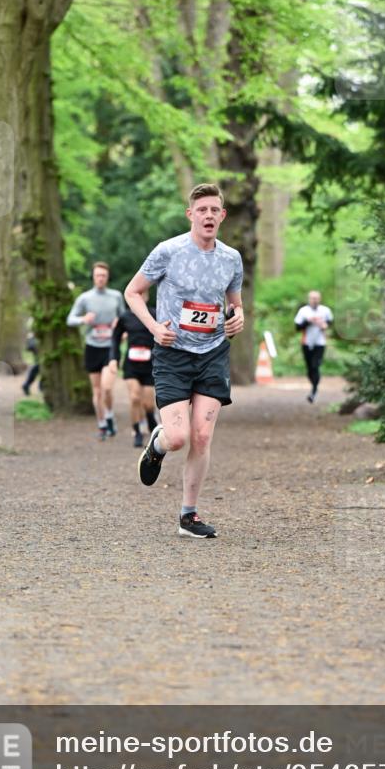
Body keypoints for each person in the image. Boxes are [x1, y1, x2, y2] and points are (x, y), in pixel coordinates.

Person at [125, 183, 244, 539]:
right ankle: (158, 444)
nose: (208, 215)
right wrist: (152, 328)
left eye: (214, 210)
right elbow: (133, 292)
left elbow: (234, 305)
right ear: (190, 214)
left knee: (202, 436)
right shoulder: (168, 251)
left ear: (222, 216)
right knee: (178, 437)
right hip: (173, 353)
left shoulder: (231, 258)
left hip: (212, 353)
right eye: (201, 209)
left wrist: (238, 318)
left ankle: (188, 516)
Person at [66, 261, 125, 439]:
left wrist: (120, 328)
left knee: (107, 388)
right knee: (97, 391)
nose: (100, 278)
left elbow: (124, 318)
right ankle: (102, 425)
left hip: (111, 348)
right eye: (98, 275)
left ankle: (109, 416)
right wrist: (83, 319)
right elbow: (70, 319)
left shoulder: (116, 296)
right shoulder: (85, 298)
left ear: (108, 277)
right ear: (93, 276)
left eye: (104, 275)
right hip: (92, 347)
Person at [109, 289, 158, 448]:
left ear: (147, 296)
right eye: (138, 294)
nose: (140, 297)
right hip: (131, 365)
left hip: (150, 364)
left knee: (149, 404)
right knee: (135, 398)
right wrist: (113, 359)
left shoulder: (155, 314)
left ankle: (151, 423)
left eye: (143, 294)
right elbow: (115, 338)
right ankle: (137, 432)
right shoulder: (125, 317)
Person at [294, 289, 333, 403]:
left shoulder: (325, 310)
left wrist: (325, 325)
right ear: (309, 299)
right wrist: (308, 321)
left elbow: (330, 322)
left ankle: (314, 392)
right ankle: (314, 385)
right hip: (306, 343)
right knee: (310, 369)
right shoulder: (303, 311)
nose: (314, 300)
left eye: (316, 298)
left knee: (316, 366)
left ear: (319, 299)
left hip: (320, 343)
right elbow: (297, 327)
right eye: (312, 298)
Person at [21, 328, 40, 396]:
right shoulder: (32, 336)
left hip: (39, 356)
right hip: (39, 356)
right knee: (37, 369)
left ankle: (27, 385)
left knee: (36, 369)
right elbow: (29, 347)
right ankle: (27, 385)